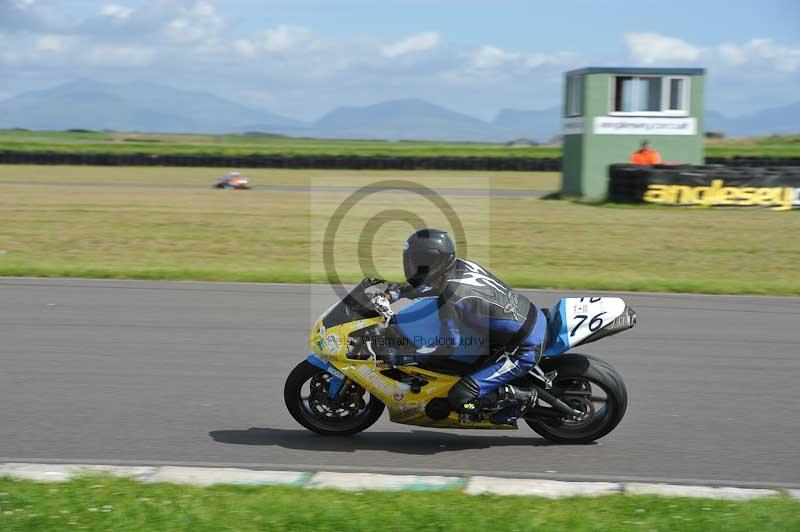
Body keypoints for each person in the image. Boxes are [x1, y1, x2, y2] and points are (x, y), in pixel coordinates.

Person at [383, 228, 547, 424]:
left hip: (522, 349)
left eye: (417, 260)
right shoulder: (459, 266)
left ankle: (521, 397)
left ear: (433, 262)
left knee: (460, 399)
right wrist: (394, 293)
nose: (412, 265)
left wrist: (410, 357)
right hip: (528, 317)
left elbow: (447, 346)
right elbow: (430, 288)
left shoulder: (451, 297)